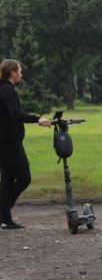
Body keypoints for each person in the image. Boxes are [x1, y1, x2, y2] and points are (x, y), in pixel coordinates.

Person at [0, 59, 51, 230]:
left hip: (4, 141)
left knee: (7, 180)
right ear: (12, 73)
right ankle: (3, 211)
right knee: (24, 177)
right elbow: (14, 114)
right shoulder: (7, 90)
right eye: (20, 71)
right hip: (9, 142)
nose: (21, 73)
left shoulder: (3, 89)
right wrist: (37, 119)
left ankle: (6, 218)